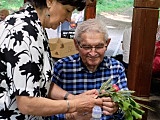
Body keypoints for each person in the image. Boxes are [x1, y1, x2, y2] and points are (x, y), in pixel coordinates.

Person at [0, 0, 103, 119]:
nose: (69, 19)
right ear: (49, 2)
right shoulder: (25, 31)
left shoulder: (34, 26)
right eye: (67, 10)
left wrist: (72, 97)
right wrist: (75, 104)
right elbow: (26, 103)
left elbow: (39, 82)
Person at [51, 19, 128, 120]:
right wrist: (70, 116)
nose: (93, 53)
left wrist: (116, 109)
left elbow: (127, 108)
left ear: (107, 43)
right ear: (76, 44)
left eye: (99, 46)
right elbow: (46, 110)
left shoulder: (116, 68)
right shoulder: (63, 68)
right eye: (86, 47)